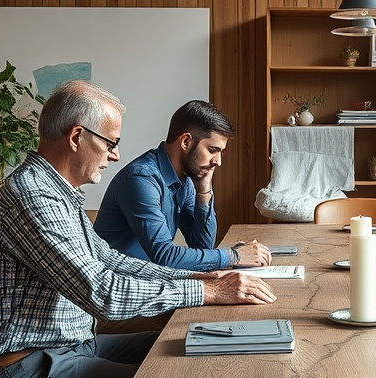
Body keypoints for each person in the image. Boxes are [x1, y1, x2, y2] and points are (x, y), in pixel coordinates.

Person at [0, 80, 276, 378]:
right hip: (21, 373)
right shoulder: (34, 196)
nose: (115, 155)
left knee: (190, 347)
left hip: (68, 347)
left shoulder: (58, 193)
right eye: (110, 143)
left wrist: (196, 276)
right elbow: (102, 292)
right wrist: (207, 290)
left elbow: (110, 260)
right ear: (77, 137)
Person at [94, 100, 270, 271]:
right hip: (120, 288)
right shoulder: (141, 179)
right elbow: (165, 256)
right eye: (212, 150)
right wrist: (234, 256)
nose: (218, 162)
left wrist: (204, 192)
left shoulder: (184, 180)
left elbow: (202, 245)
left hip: (151, 280)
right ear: (186, 141)